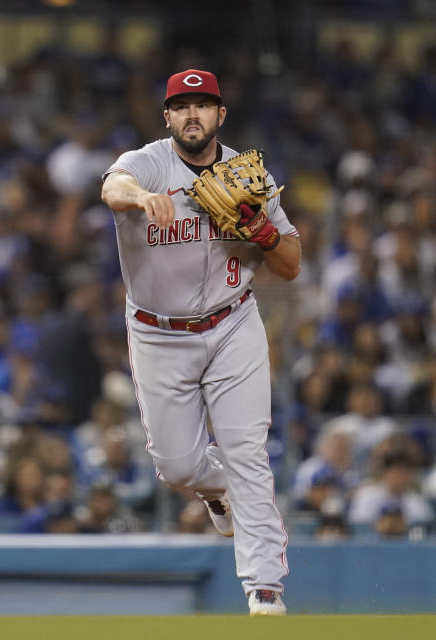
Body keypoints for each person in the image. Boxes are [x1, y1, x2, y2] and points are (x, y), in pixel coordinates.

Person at [100, 69, 300, 616]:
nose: (193, 114)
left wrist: (262, 232)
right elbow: (110, 187)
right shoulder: (148, 163)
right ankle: (218, 489)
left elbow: (290, 264)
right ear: (167, 117)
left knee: (248, 454)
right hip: (158, 332)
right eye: (182, 106)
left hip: (233, 321)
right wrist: (141, 197)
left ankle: (265, 588)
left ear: (220, 115)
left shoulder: (247, 175)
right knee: (177, 466)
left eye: (204, 105)